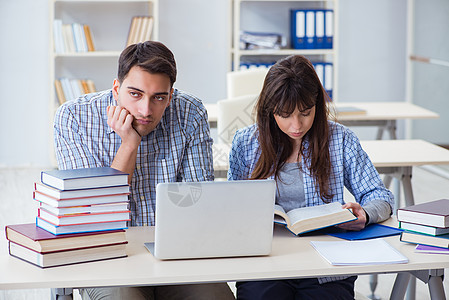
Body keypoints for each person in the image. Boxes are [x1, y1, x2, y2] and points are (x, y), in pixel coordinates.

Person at [54, 41, 235, 300]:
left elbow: (198, 203)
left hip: (176, 255)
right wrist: (129, 143)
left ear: (170, 95)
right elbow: (97, 209)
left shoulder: (190, 113)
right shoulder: (73, 117)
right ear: (116, 89)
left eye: (159, 97)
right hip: (109, 257)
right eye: (135, 94)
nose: (145, 110)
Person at [228, 55, 394, 300]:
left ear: (317, 103)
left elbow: (381, 196)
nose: (297, 125)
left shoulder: (340, 139)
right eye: (285, 115)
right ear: (270, 110)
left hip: (326, 266)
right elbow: (232, 206)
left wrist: (366, 214)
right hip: (266, 263)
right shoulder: (246, 143)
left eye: (306, 112)